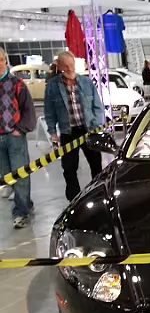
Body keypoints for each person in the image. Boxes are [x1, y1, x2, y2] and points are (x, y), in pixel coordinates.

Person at [44, 50, 104, 202]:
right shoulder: (52, 86)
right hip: (68, 132)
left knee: (96, 165)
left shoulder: (86, 82)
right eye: (66, 66)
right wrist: (52, 132)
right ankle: (74, 201)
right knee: (69, 169)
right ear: (59, 67)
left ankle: (98, 195)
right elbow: (49, 111)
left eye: (72, 65)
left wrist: (97, 125)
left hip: (89, 130)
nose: (70, 69)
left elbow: (98, 106)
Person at [0, 47, 36, 228]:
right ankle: (25, 202)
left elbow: (28, 110)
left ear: (5, 61)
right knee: (7, 177)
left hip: (15, 137)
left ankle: (21, 212)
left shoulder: (17, 84)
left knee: (20, 174)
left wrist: (20, 129)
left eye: (0, 60)